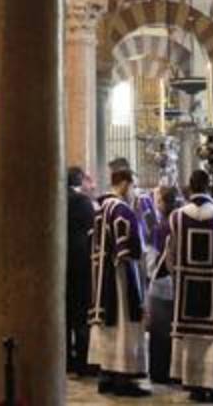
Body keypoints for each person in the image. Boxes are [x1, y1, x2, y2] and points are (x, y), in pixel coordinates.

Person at [167, 169, 213, 401]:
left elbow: (171, 255)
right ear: (209, 186)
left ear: (190, 186)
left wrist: (179, 277)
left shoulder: (177, 217)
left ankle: (195, 385)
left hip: (188, 290)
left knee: (193, 338)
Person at [88, 168, 150, 397]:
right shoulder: (122, 209)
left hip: (101, 276)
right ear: (124, 184)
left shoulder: (100, 208)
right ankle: (124, 377)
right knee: (123, 324)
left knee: (108, 327)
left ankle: (107, 374)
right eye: (133, 186)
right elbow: (131, 249)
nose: (134, 191)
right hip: (119, 278)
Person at [146, 183, 179, 386]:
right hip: (176, 282)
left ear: (162, 203)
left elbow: (152, 259)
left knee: (160, 331)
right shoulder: (177, 223)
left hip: (161, 283)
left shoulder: (161, 228)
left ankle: (160, 372)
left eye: (157, 199)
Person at [66, 166, 96, 378]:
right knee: (81, 313)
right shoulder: (83, 202)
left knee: (65, 314)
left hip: (62, 260)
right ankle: (83, 361)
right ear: (80, 181)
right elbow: (91, 226)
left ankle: (65, 359)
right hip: (81, 261)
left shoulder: (58, 198)